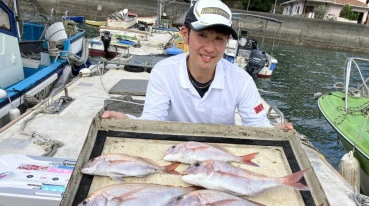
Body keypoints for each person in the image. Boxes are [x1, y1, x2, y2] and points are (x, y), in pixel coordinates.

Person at [102, 0, 292, 130]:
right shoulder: (163, 73)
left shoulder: (241, 80)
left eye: (219, 38)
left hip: (221, 157)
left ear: (227, 42)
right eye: (202, 35)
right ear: (185, 34)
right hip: (176, 151)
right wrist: (127, 121)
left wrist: (276, 131)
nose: (209, 47)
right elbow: (152, 120)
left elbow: (257, 124)